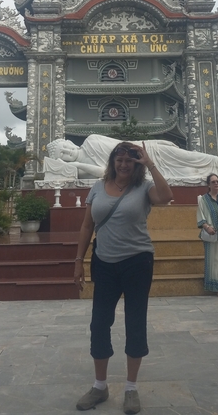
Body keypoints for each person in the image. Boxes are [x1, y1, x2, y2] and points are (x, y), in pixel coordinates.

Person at [74, 141, 172, 413]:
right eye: (119, 159)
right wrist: (78, 260)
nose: (124, 164)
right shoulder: (97, 187)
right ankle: (99, 385)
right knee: (99, 322)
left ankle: (131, 387)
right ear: (112, 162)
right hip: (103, 262)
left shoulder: (144, 188)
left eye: (130, 159)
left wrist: (150, 163)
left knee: (135, 321)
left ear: (136, 163)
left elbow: (166, 197)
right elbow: (86, 225)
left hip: (137, 262)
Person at [44, 134, 218, 181]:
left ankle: (217, 161)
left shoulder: (91, 140)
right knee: (181, 174)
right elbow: (106, 172)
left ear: (69, 142)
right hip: (137, 169)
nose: (67, 153)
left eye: (64, 148)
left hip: (141, 151)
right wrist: (77, 164)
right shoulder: (82, 169)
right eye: (63, 155)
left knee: (181, 155)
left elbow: (120, 147)